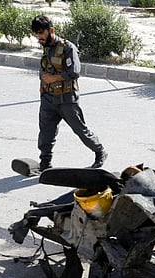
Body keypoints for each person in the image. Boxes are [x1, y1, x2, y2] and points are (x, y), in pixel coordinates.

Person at [31, 15, 107, 172]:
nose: (39, 37)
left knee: (80, 130)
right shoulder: (46, 47)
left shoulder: (68, 48)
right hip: (48, 99)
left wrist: (53, 78)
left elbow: (74, 72)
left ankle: (100, 152)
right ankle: (45, 163)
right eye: (36, 34)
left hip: (66, 99)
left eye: (41, 33)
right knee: (46, 133)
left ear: (51, 30)